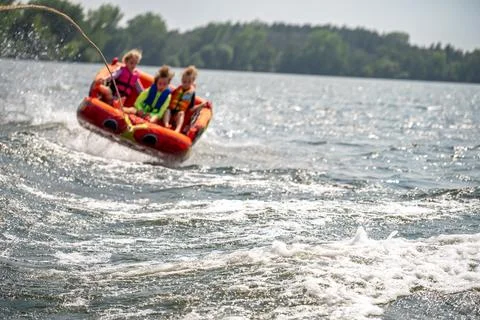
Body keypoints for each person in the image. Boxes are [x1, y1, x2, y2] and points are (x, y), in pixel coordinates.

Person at [163, 65, 208, 132]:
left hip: (178, 115)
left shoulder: (191, 94)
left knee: (181, 113)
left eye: (189, 82)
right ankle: (166, 124)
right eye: (184, 81)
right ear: (181, 80)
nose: (186, 84)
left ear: (193, 82)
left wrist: (201, 105)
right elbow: (169, 96)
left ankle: (177, 129)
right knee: (167, 110)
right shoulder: (178, 90)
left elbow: (191, 108)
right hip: (171, 112)